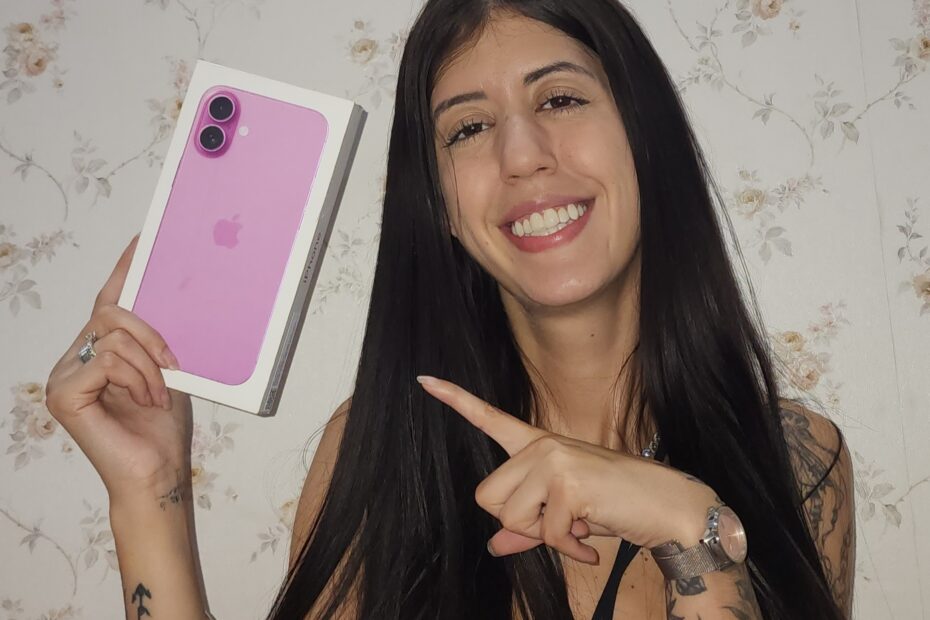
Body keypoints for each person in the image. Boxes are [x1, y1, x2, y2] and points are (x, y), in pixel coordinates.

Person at [45, 0, 856, 618]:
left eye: (561, 100)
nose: (522, 155)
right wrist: (147, 491)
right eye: (468, 128)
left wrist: (692, 532)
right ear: (439, 205)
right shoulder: (383, 453)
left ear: (647, 139)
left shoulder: (796, 460)